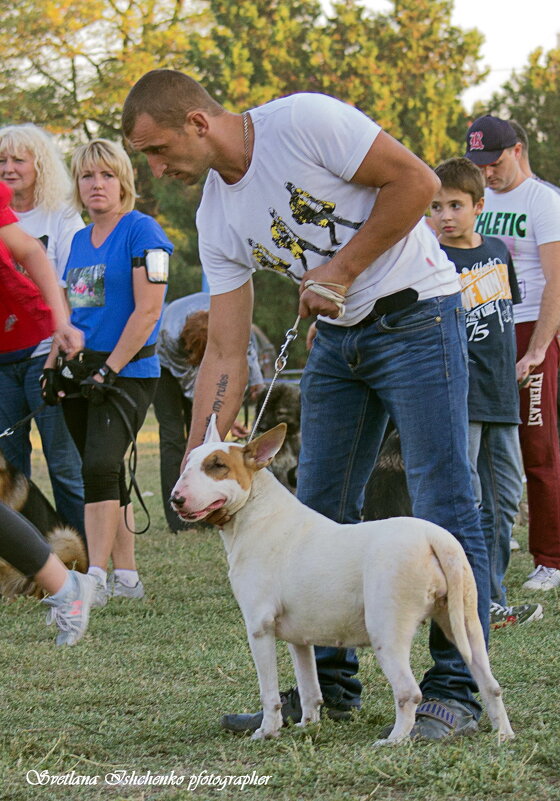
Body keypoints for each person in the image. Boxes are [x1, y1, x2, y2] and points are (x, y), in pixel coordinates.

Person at [123, 70, 491, 741]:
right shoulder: (215, 214)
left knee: (442, 492)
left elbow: (415, 181)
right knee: (317, 504)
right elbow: (226, 351)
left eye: (156, 149)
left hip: (417, 315)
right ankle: (327, 688)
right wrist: (197, 456)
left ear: (197, 123)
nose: (154, 166)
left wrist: (341, 269)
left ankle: (456, 690)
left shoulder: (304, 122)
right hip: (338, 339)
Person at [41, 139, 173, 607]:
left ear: (123, 182)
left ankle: (93, 578)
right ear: (77, 185)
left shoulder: (143, 231)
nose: (96, 184)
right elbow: (73, 316)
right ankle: (128, 578)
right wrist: (54, 367)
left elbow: (147, 311)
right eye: (86, 176)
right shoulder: (77, 241)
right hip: (81, 371)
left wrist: (110, 371)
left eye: (107, 175)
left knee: (99, 465)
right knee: (106, 474)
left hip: (129, 372)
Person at [431, 157, 542, 630]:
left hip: (501, 393)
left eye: (455, 205)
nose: (445, 216)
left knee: (504, 497)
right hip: (460, 394)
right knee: (469, 498)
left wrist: (521, 364)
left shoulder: (498, 251)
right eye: (435, 207)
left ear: (478, 205)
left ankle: (492, 596)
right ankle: (468, 597)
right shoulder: (431, 259)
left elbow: (505, 318)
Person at [465, 115, 560, 591]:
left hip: (528, 328)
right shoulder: (475, 199)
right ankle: (491, 547)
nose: (486, 171)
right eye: (478, 163)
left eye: (493, 162)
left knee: (538, 446)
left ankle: (550, 558)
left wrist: (539, 349)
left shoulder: (544, 202)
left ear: (518, 150)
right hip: (479, 330)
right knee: (485, 449)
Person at [0, 180, 93, 646]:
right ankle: (67, 586)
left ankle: (66, 585)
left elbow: (34, 255)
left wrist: (62, 321)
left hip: (25, 340)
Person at [509, 120, 560, 552]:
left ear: (518, 150)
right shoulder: (478, 198)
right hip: (498, 333)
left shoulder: (555, 202)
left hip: (543, 332)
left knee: (556, 433)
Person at [0, 124, 86, 539]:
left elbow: (72, 281)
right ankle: (30, 560)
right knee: (11, 468)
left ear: (39, 164)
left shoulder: (61, 214)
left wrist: (62, 334)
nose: (9, 168)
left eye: (19, 159)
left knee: (64, 464)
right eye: (1, 161)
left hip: (44, 351)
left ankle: (88, 561)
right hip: (2, 359)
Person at [154, 292, 265, 532]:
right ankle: (179, 518)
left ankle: (208, 508)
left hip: (212, 349)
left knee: (209, 434)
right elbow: (190, 383)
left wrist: (256, 382)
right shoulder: (169, 334)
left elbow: (247, 351)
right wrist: (216, 414)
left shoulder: (232, 321)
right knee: (174, 437)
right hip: (166, 371)